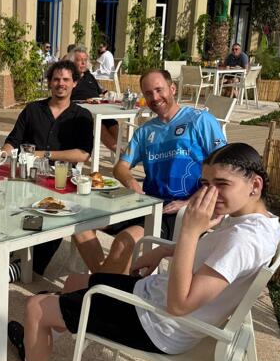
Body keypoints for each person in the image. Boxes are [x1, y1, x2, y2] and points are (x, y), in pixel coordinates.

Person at [5, 143, 280, 361]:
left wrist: (189, 231)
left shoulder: (243, 241)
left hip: (157, 324)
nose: (210, 195)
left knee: (36, 307)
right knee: (75, 281)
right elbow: (211, 256)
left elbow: (179, 306)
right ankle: (38, 343)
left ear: (255, 185)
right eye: (206, 184)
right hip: (153, 299)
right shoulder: (262, 224)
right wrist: (165, 250)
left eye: (222, 184)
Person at [73, 69, 226, 274]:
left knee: (124, 242)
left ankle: (104, 286)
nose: (154, 97)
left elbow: (224, 169)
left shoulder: (200, 120)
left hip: (177, 211)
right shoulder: (145, 131)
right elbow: (120, 167)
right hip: (146, 204)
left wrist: (189, 202)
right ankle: (108, 282)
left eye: (159, 90)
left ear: (172, 89)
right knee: (79, 222)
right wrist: (131, 183)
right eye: (148, 93)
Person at [1, 60, 95, 276]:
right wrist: (1, 154)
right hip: (27, 177)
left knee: (56, 215)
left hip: (61, 181)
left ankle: (27, 268)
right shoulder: (33, 110)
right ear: (50, 82)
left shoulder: (81, 115)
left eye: (66, 79)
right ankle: (3, 252)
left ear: (74, 83)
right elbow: (13, 140)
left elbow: (83, 154)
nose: (61, 83)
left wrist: (45, 154)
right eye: (56, 79)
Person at [68, 46, 119, 153]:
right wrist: (84, 101)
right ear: (72, 62)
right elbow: (66, 99)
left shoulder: (89, 75)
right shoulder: (69, 77)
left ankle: (119, 152)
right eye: (79, 60)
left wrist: (107, 94)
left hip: (98, 107)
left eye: (85, 60)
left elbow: (101, 90)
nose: (83, 63)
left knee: (114, 124)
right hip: (81, 111)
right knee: (99, 125)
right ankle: (122, 154)